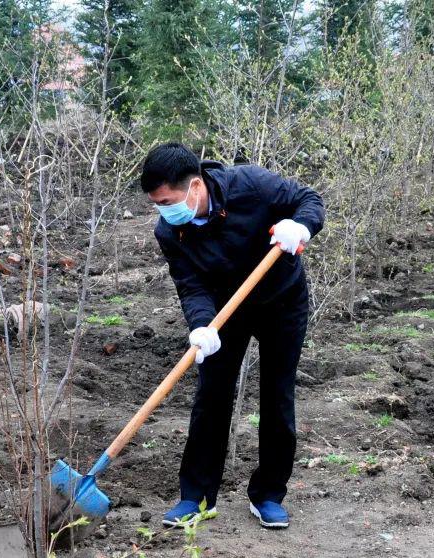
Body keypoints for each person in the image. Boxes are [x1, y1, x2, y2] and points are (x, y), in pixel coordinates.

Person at [139, 142, 325, 529]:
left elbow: (308, 198)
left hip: (282, 301)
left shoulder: (250, 185)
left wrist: (300, 225)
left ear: (195, 186)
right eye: (157, 204)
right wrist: (201, 326)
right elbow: (190, 284)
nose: (164, 211)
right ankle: (195, 497)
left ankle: (269, 495)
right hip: (226, 310)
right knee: (212, 395)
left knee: (277, 393)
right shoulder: (170, 231)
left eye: (167, 200)